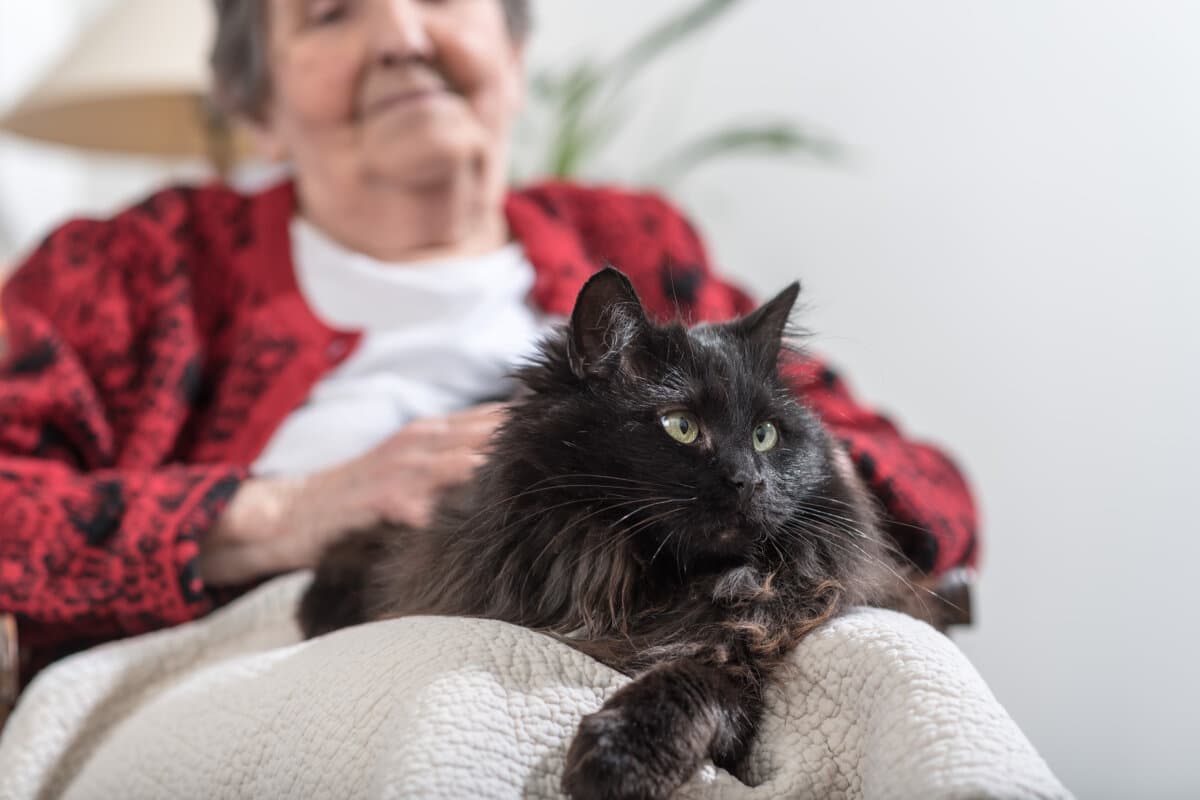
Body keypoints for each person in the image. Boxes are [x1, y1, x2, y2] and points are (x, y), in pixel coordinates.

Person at [0, 0, 977, 689]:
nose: (403, 34)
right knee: (460, 704)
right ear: (256, 111)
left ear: (511, 59)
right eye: (332, 11)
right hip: (289, 645)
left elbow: (929, 489)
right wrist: (289, 508)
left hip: (655, 632)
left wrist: (790, 479)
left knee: (894, 671)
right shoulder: (136, 265)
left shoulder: (634, 243)